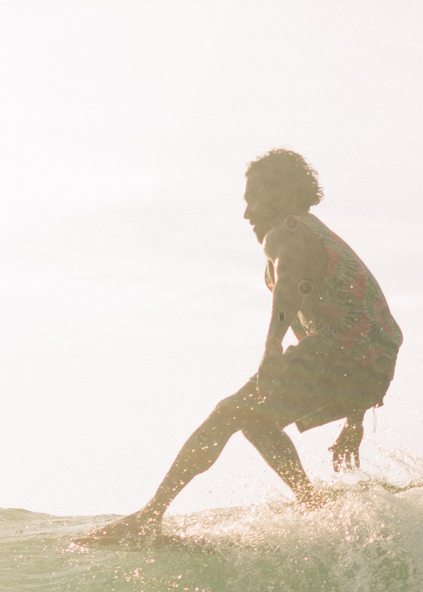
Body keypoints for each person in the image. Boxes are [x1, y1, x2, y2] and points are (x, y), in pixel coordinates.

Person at [84, 149, 402, 544]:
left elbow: (288, 289)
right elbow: (362, 322)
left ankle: (149, 517)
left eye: (254, 199)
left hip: (341, 351)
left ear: (284, 193)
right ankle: (310, 502)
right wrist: (355, 418)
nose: (248, 213)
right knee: (256, 418)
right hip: (372, 368)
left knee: (229, 411)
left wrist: (271, 350)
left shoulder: (287, 231)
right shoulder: (314, 232)